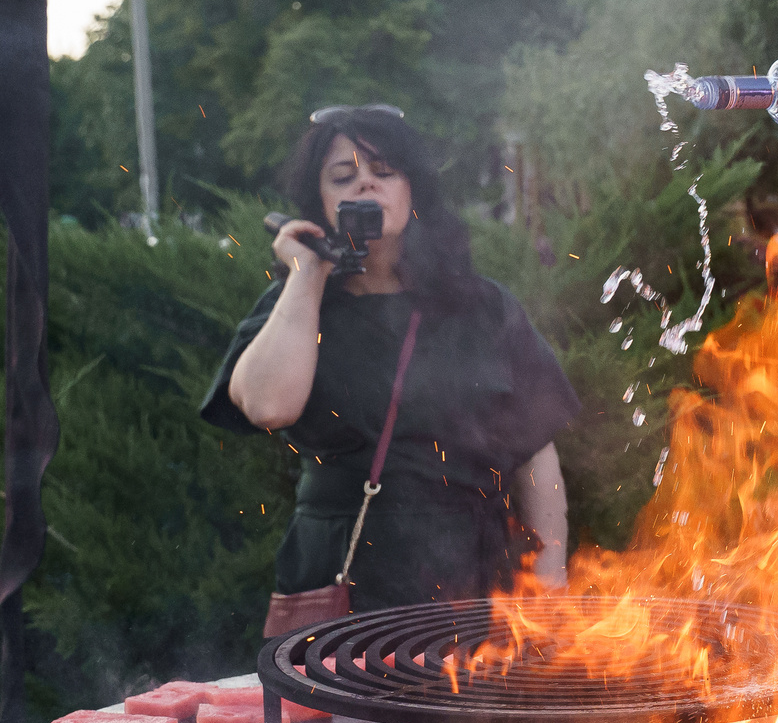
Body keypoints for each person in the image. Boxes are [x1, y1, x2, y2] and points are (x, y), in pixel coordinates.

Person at [201, 107, 582, 615]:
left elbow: (535, 451)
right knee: (327, 696)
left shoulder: (483, 308)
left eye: (384, 173)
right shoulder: (296, 304)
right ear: (320, 198)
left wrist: (549, 579)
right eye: (343, 177)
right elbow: (270, 407)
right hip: (340, 575)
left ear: (414, 191)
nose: (365, 186)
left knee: (464, 694)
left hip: (468, 573)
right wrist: (307, 272)